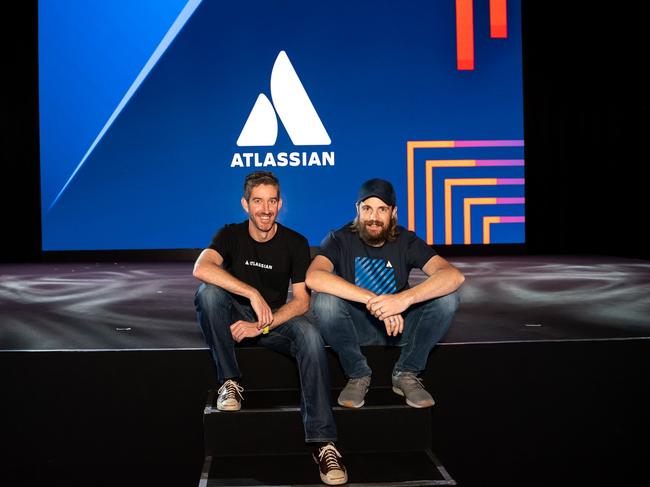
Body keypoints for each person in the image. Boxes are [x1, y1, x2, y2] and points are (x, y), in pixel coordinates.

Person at [193, 171, 347, 485]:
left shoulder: (295, 242)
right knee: (208, 293)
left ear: (280, 203)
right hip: (237, 313)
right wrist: (252, 293)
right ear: (245, 204)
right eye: (258, 201)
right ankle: (230, 381)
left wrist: (260, 326)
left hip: (272, 321)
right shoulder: (230, 234)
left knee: (310, 335)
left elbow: (303, 301)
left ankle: (323, 442)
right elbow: (201, 267)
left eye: (272, 201)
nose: (266, 209)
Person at [306, 178, 464, 409]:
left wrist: (402, 300)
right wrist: (377, 302)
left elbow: (453, 276)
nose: (373, 217)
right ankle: (358, 374)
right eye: (367, 208)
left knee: (448, 298)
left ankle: (406, 373)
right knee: (324, 301)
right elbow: (314, 276)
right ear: (357, 210)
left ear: (393, 212)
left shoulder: (406, 240)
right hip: (355, 326)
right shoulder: (339, 239)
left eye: (382, 209)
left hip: (400, 328)